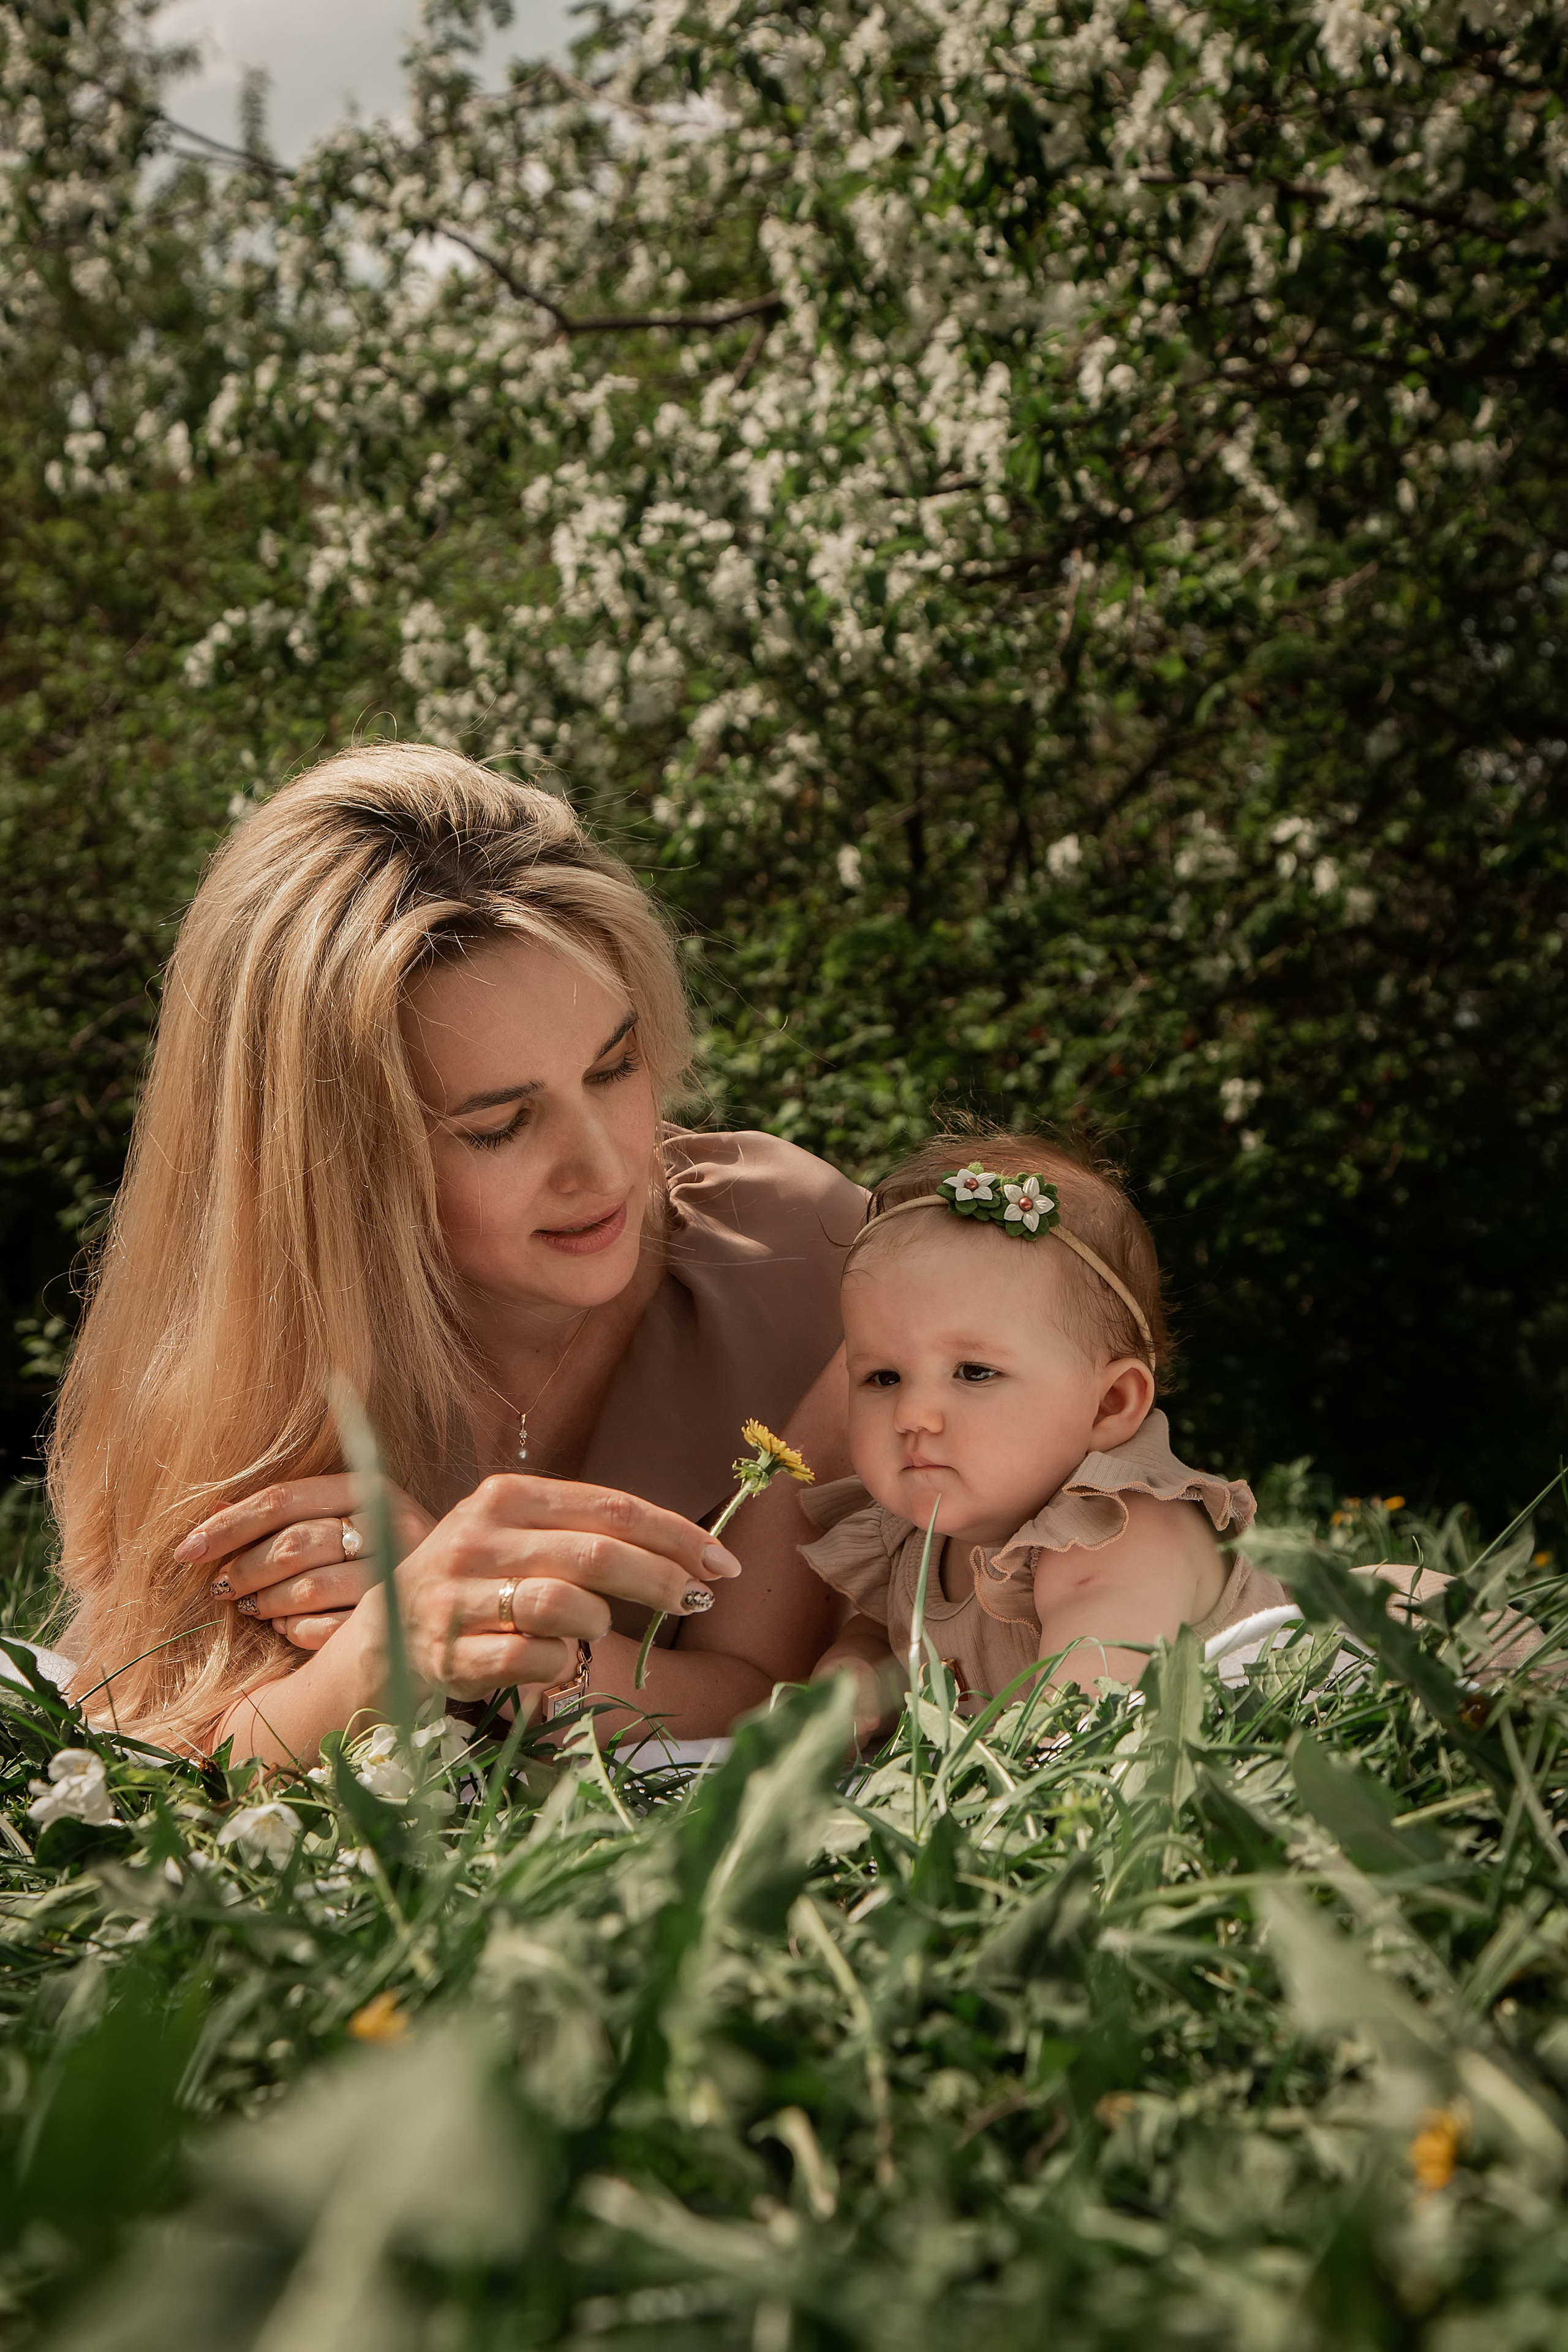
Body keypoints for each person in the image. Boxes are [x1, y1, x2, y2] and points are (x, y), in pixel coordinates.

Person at [49, 744, 864, 1762]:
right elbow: (155, 1759)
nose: (604, 1166)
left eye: (615, 1068)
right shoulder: (231, 1382)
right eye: (498, 1126)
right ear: (333, 1167)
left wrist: (487, 1611)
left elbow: (816, 1702)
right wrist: (390, 1649)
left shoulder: (804, 1261)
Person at [804, 1133, 1284, 1732]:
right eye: (883, 1376)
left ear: (1109, 1404)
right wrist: (856, 1671)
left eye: (974, 1372)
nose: (912, 1415)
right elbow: (889, 1631)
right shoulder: (913, 1541)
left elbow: (1084, 1720)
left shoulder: (1115, 1533)